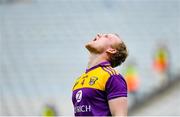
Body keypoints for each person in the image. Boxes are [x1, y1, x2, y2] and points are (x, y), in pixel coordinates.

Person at [72, 33, 128, 116]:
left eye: (106, 36)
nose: (98, 35)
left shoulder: (112, 77)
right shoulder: (79, 80)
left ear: (111, 50)